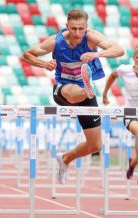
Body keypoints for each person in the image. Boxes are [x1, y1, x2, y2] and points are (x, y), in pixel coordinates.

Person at [21, 9, 124, 185]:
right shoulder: (56, 41)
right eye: (73, 28)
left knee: (95, 145)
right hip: (62, 89)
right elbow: (26, 55)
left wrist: (96, 54)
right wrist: (44, 63)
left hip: (84, 94)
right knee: (71, 93)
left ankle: (66, 158)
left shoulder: (91, 37)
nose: (77, 33)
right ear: (67, 27)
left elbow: (119, 50)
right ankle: (87, 87)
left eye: (81, 29)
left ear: (86, 28)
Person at [103, 44, 138, 185]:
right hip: (130, 112)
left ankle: (132, 164)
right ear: (133, 58)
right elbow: (112, 75)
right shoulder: (124, 69)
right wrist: (105, 94)